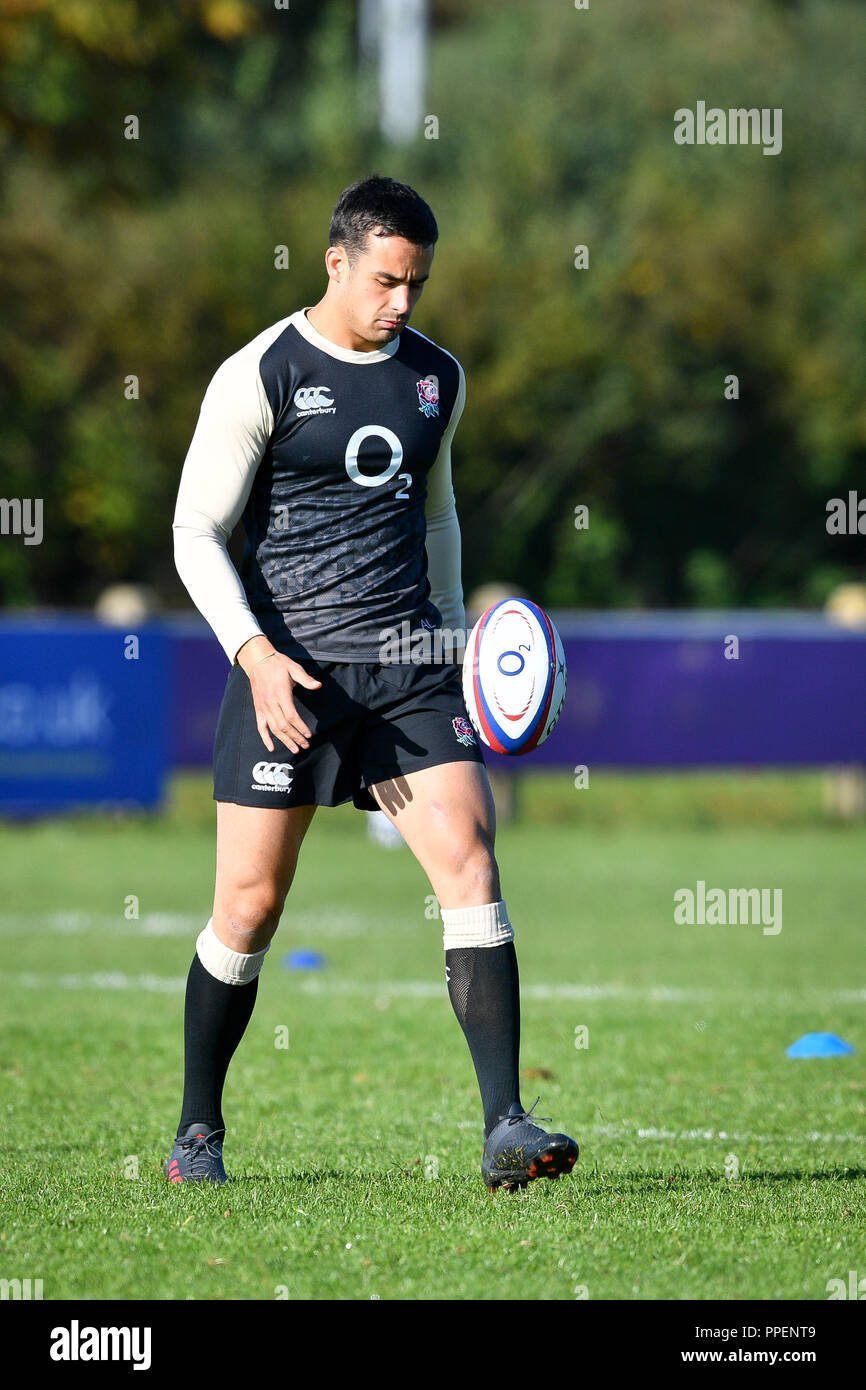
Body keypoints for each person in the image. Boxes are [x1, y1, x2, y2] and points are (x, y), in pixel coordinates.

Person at [168, 174, 578, 1192]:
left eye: (418, 285)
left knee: (470, 862)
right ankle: (197, 1134)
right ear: (336, 261)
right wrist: (254, 655)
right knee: (249, 904)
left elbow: (436, 515)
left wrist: (448, 641)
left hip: (405, 669)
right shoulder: (256, 373)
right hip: (289, 673)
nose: (402, 302)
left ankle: (504, 1127)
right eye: (388, 280)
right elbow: (193, 533)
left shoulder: (436, 376)